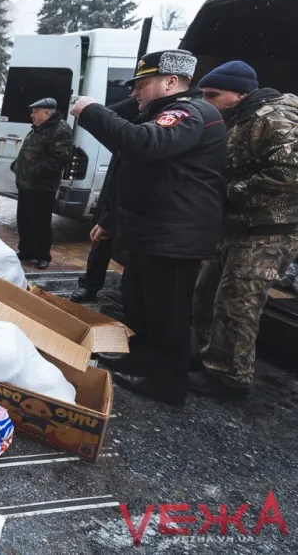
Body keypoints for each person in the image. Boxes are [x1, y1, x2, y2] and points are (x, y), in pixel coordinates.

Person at [70, 49, 226, 406]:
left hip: (175, 236)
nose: (135, 92)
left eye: (142, 84)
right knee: (141, 304)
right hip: (153, 232)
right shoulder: (160, 112)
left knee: (167, 312)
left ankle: (168, 382)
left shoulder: (189, 114)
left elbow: (143, 145)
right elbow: (131, 164)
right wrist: (111, 220)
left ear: (171, 82)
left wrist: (92, 111)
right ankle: (142, 359)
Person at [191, 61, 298, 398]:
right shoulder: (237, 116)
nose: (206, 101)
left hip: (267, 231)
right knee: (206, 292)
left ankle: (230, 378)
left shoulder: (275, 117)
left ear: (239, 94)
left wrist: (228, 193)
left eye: (213, 95)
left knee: (238, 304)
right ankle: (209, 357)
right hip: (235, 225)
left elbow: (289, 175)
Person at [70, 96, 141, 302]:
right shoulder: (136, 114)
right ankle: (90, 285)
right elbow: (111, 112)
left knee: (133, 252)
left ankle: (127, 292)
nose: (136, 93)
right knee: (101, 242)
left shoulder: (157, 123)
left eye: (142, 86)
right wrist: (137, 99)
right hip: (114, 194)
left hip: (136, 202)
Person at [11, 98, 74, 270]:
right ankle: (26, 250)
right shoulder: (38, 128)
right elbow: (29, 152)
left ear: (47, 112)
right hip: (26, 184)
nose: (32, 115)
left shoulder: (61, 129)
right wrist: (17, 165)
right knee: (24, 219)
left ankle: (42, 255)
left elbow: (59, 159)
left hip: (43, 187)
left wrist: (33, 171)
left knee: (40, 222)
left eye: (35, 112)